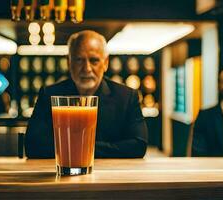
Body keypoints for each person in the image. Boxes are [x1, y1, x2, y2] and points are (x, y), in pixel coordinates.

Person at [25, 30, 148, 158]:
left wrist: (79, 147)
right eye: (79, 60)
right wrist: (105, 148)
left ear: (105, 63)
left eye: (94, 60)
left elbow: (138, 145)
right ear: (68, 62)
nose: (87, 68)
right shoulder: (48, 95)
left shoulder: (126, 97)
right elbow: (33, 146)